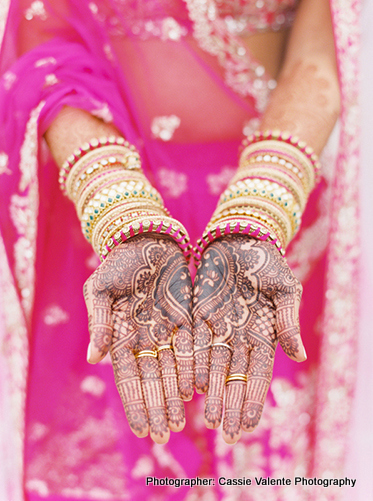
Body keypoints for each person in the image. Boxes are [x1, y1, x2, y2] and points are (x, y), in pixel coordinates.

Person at [0, 0, 361, 500]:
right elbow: (45, 37)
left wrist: (259, 209)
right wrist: (118, 210)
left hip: (270, 226)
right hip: (102, 231)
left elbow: (338, 33)